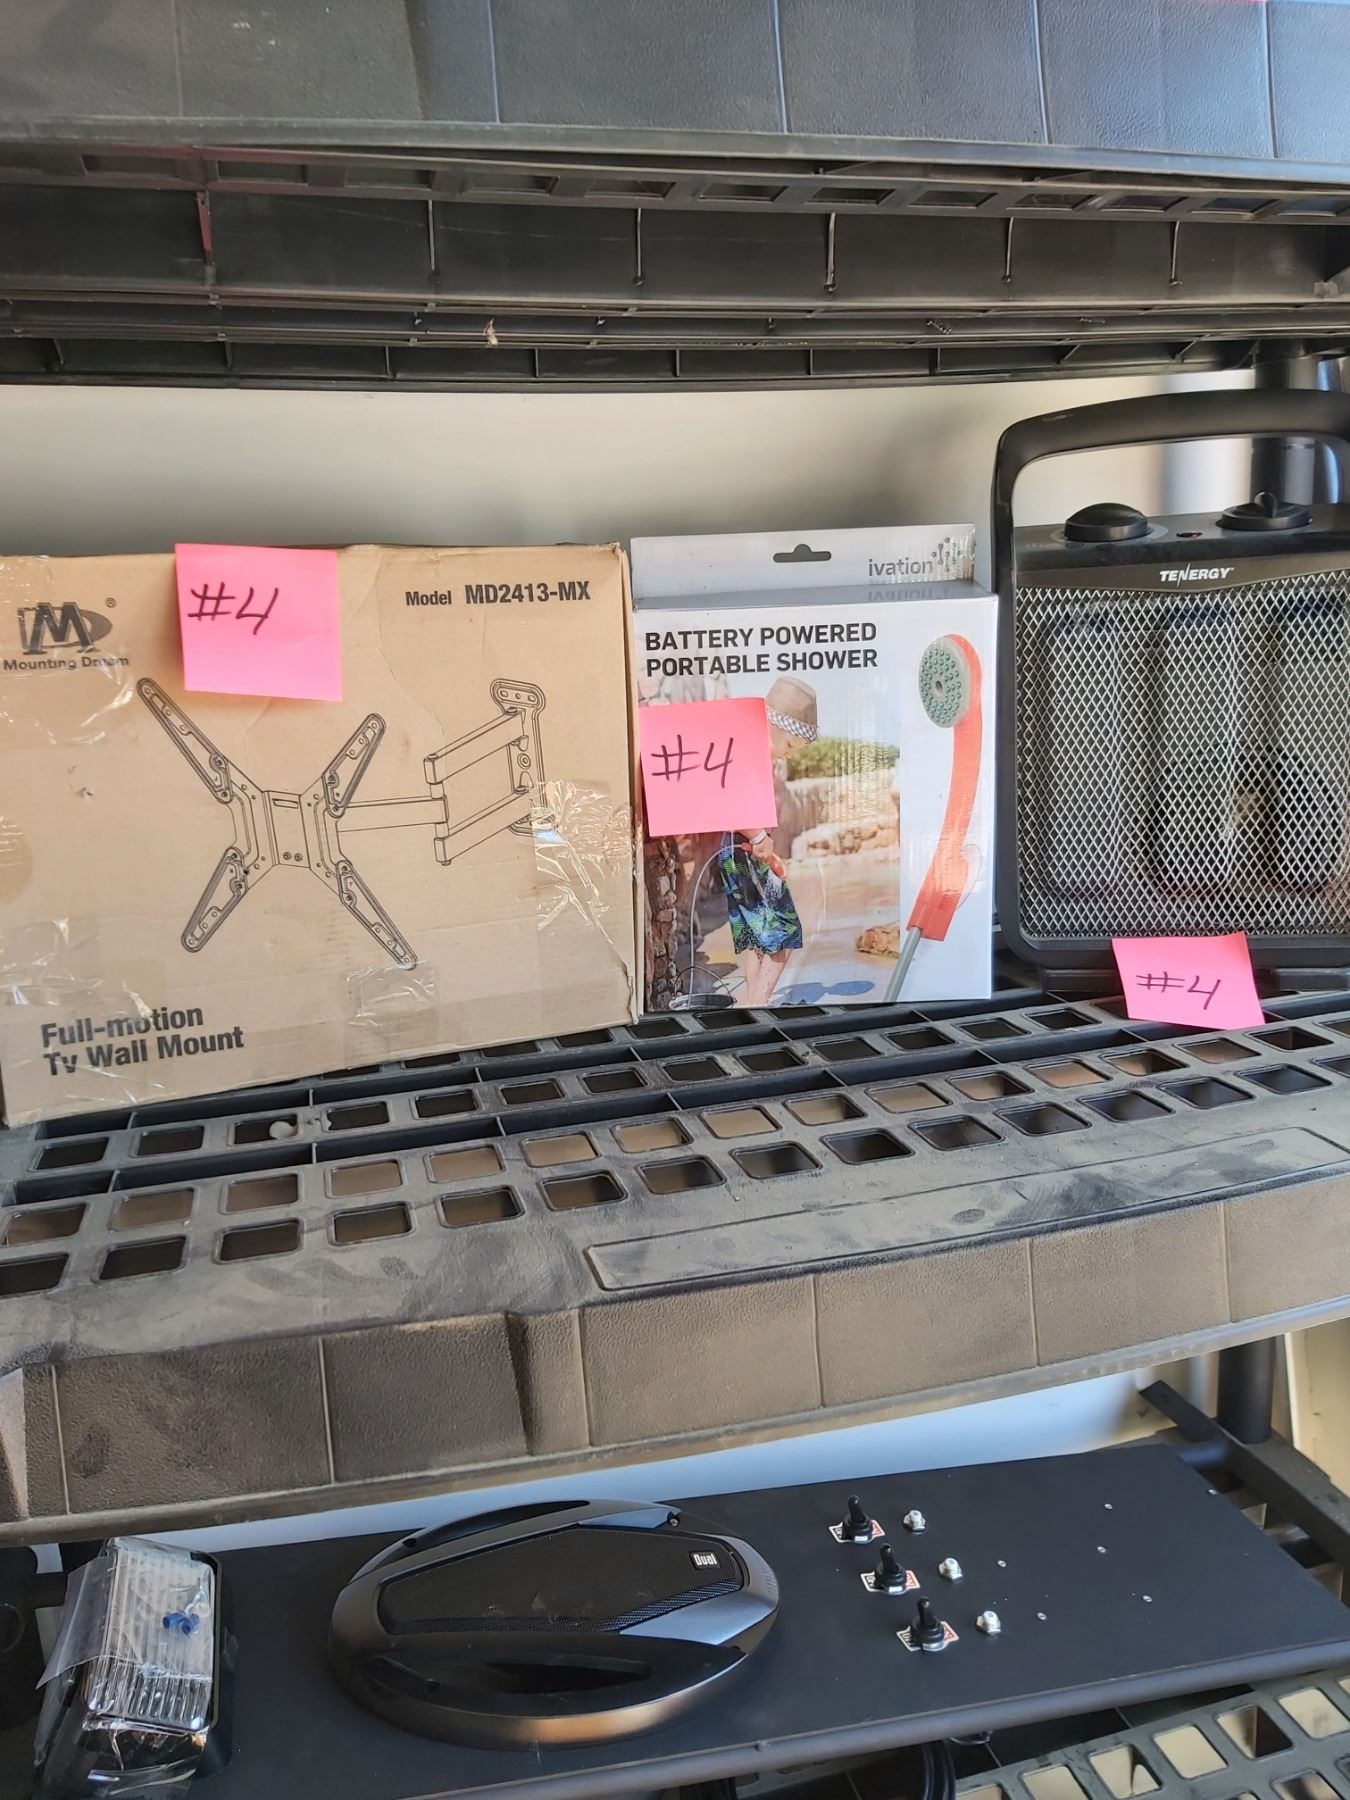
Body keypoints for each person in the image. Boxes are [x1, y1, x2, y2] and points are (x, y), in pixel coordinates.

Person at [715, 676, 818, 1006]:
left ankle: (752, 1002)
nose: (787, 754)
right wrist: (759, 837)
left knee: (757, 934)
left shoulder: (743, 746)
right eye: (790, 745)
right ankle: (758, 1003)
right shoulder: (752, 752)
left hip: (734, 849)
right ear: (779, 729)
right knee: (783, 935)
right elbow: (731, 801)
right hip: (747, 848)